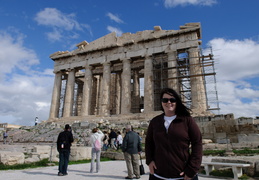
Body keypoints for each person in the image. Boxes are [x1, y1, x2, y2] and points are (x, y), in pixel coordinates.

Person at [145, 88, 202, 180]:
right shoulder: (155, 121)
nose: (168, 102)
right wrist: (149, 160)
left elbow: (197, 143)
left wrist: (192, 168)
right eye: (165, 100)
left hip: (182, 176)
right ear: (161, 102)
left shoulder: (186, 120)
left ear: (177, 101)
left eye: (172, 100)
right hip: (158, 175)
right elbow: (149, 142)